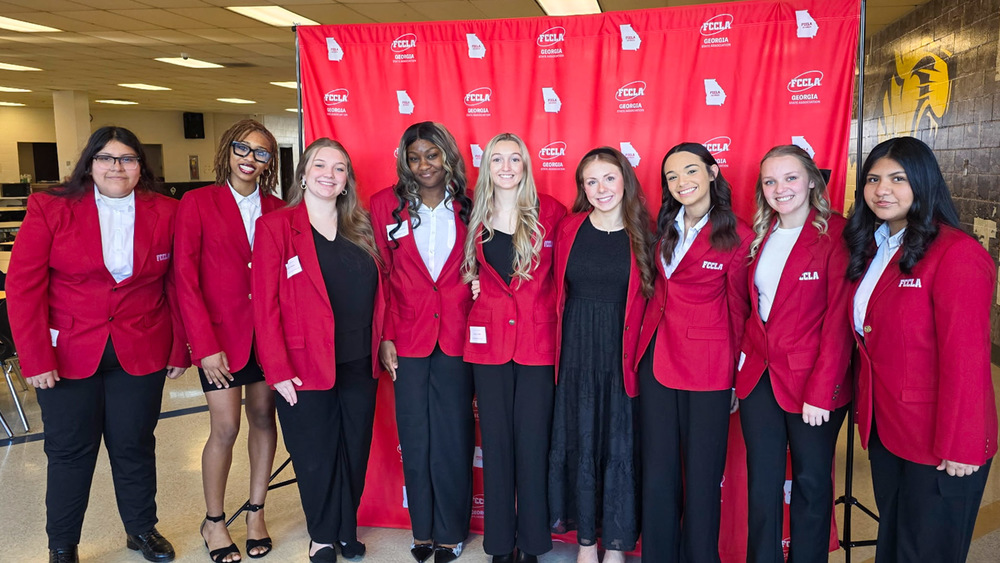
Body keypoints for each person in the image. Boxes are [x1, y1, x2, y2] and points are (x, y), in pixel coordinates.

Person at [7, 126, 189, 563]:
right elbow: (23, 286)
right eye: (106, 158)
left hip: (141, 347)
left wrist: (179, 347)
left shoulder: (167, 211)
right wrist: (34, 357)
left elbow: (178, 284)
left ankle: (141, 530)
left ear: (140, 167)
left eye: (127, 159)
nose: (116, 167)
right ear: (89, 163)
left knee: (135, 445)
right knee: (70, 452)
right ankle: (62, 543)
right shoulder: (52, 207)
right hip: (67, 352)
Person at [844, 136, 997, 562]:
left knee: (926, 552)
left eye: (898, 178)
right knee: (895, 544)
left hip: (941, 439)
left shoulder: (956, 254)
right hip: (888, 429)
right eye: (873, 179)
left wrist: (962, 443)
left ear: (924, 182)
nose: (881, 190)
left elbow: (966, 360)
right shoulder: (875, 247)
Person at [251, 138, 385, 563]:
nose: (330, 174)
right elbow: (265, 304)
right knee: (314, 454)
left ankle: (347, 529)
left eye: (339, 168)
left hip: (358, 360)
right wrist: (276, 369)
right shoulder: (276, 227)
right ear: (304, 174)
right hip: (301, 363)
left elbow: (384, 292)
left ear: (347, 180)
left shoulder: (361, 226)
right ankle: (323, 535)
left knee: (355, 448)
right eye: (320, 165)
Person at [634, 142, 752, 563]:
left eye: (690, 171)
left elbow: (740, 312)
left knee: (703, 479)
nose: (682, 182)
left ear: (712, 172)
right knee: (659, 474)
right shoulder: (664, 227)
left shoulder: (739, 235)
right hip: (656, 362)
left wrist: (737, 377)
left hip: (709, 369)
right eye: (671, 176)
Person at [736, 145, 852, 562]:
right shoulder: (761, 234)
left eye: (789, 178)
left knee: (811, 482)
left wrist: (822, 391)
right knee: (763, 485)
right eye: (770, 181)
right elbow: (755, 311)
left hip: (813, 384)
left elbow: (839, 320)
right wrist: (740, 371)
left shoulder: (836, 234)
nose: (779, 188)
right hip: (759, 379)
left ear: (811, 181)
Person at [175, 119, 283, 562]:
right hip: (219, 339)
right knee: (225, 427)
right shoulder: (198, 202)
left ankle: (256, 512)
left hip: (268, 337)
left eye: (261, 152)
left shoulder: (279, 208)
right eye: (243, 148)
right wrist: (202, 345)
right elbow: (184, 278)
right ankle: (214, 521)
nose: (249, 158)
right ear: (227, 150)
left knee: (262, 418)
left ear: (268, 162)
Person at [371, 122, 476, 563]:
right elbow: (379, 276)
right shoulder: (383, 206)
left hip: (461, 336)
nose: (423, 165)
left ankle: (451, 531)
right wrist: (384, 336)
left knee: (453, 436)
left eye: (432, 155)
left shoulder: (474, 206)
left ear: (447, 156)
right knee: (415, 437)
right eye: (414, 158)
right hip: (407, 338)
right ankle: (424, 531)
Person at [462, 133, 566, 563]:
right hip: (487, 347)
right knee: (498, 447)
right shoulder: (471, 212)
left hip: (538, 345)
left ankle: (533, 543)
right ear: (487, 166)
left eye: (515, 159)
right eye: (497, 159)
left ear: (526, 164)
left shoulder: (552, 211)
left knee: (532, 444)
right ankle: (500, 544)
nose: (506, 167)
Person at [548, 147, 653, 563]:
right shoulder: (569, 228)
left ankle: (614, 546)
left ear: (625, 179)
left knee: (619, 444)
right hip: (574, 352)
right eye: (590, 182)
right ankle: (586, 544)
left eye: (608, 178)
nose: (600, 189)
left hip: (623, 354)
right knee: (579, 439)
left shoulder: (645, 231)